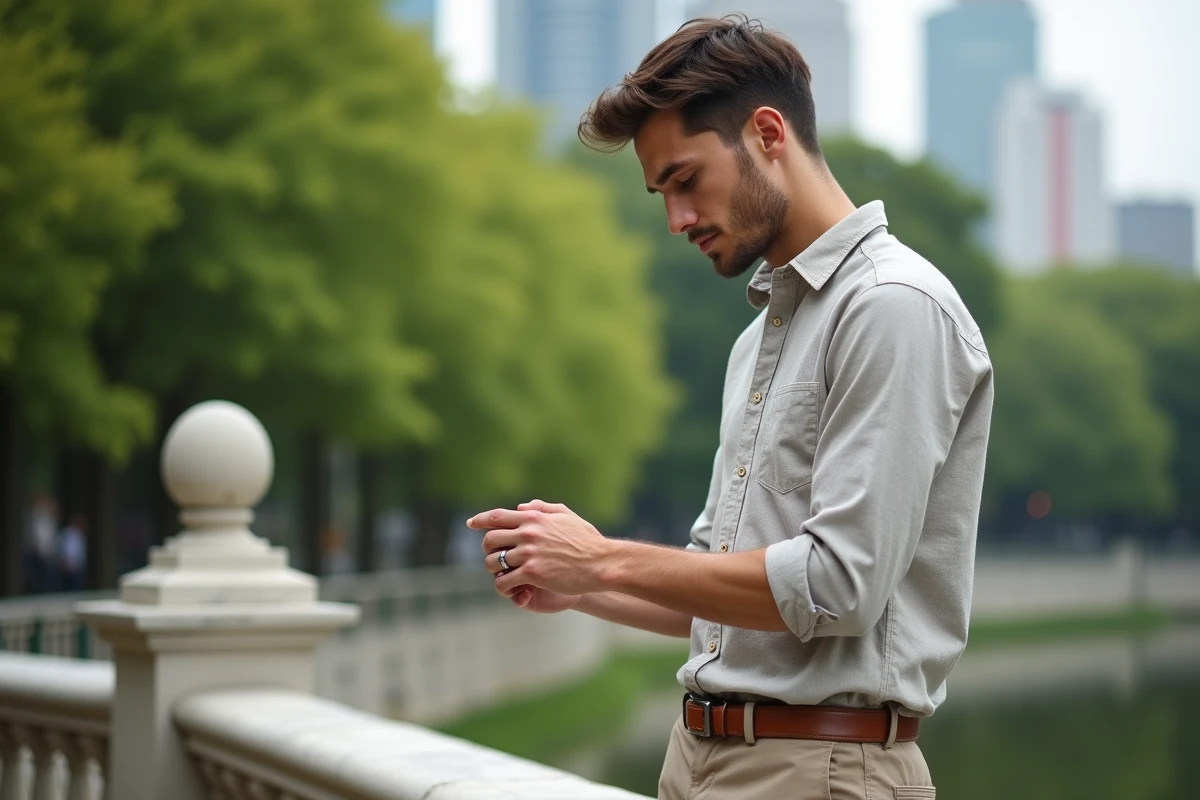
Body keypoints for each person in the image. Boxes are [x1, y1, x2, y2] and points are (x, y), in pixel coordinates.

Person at [468, 15, 993, 799]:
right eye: (661, 194)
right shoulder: (760, 339)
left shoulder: (893, 305)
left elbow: (836, 587)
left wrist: (603, 556)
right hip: (701, 758)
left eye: (685, 179)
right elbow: (727, 598)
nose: (676, 219)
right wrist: (585, 588)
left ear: (768, 132)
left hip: (822, 767)